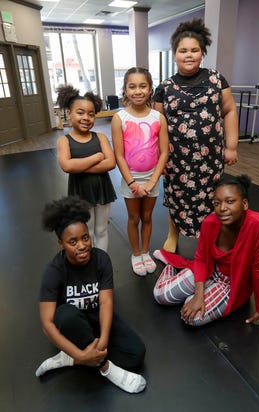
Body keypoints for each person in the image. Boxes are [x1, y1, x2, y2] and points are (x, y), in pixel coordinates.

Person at [35, 196, 146, 393]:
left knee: (136, 355)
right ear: (61, 244)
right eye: (72, 241)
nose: (82, 246)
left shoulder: (101, 260)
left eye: (85, 237)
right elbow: (47, 325)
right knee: (65, 315)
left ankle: (69, 358)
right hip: (71, 323)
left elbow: (105, 302)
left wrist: (102, 340)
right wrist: (82, 354)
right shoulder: (54, 270)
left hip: (96, 317)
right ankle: (106, 369)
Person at [153, 175, 259, 332]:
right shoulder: (210, 222)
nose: (222, 208)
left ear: (244, 204)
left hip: (232, 283)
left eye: (230, 201)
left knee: (192, 318)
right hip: (209, 270)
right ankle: (171, 268)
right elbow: (201, 259)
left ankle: (194, 293)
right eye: (217, 203)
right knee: (160, 295)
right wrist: (198, 295)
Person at [153, 18, 239, 252]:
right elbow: (156, 126)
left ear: (202, 53)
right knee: (176, 198)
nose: (188, 55)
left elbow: (229, 110)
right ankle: (173, 234)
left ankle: (212, 237)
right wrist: (159, 160)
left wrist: (231, 146)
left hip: (210, 157)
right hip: (175, 158)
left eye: (194, 50)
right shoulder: (164, 88)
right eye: (183, 50)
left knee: (212, 198)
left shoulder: (216, 80)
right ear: (175, 54)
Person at [112, 67, 169, 276]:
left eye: (142, 86)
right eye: (132, 86)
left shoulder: (158, 117)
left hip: (152, 179)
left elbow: (163, 153)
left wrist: (153, 181)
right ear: (125, 90)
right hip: (131, 180)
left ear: (150, 89)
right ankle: (136, 253)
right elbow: (119, 155)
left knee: (147, 216)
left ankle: (145, 251)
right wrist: (133, 184)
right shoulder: (120, 118)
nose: (138, 91)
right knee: (134, 217)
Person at [56, 85, 116, 252]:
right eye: (80, 112)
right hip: (80, 192)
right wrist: (96, 158)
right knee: (86, 231)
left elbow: (110, 163)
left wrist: (79, 165)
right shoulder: (64, 141)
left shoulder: (101, 137)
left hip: (101, 189)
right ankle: (89, 263)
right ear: (69, 113)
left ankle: (102, 260)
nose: (86, 118)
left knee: (102, 229)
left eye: (91, 114)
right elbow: (67, 166)